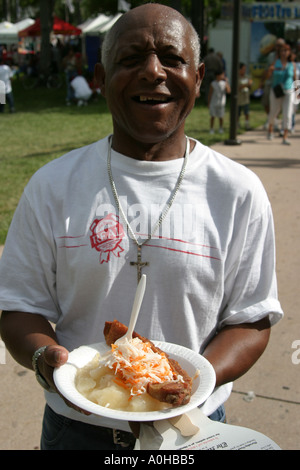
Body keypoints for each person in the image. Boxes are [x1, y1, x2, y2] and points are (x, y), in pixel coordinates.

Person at [0, 4, 283, 451]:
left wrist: (190, 385)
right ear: (100, 76)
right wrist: (45, 358)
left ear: (200, 75)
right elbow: (18, 306)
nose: (153, 72)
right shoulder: (53, 186)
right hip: (76, 429)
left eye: (172, 58)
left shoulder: (237, 191)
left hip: (194, 430)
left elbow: (251, 318)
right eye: (131, 59)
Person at [267, 43, 295, 145]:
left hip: (288, 91)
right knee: (274, 112)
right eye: (282, 50)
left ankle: (285, 136)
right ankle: (270, 129)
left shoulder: (292, 64)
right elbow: (268, 75)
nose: (284, 53)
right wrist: (271, 71)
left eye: (286, 50)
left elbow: (295, 78)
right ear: (279, 52)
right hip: (277, 90)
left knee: (287, 114)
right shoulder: (275, 63)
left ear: (289, 52)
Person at [207, 70, 231, 134]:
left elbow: (228, 91)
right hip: (213, 102)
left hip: (221, 103)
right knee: (213, 116)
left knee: (221, 116)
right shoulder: (213, 83)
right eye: (222, 75)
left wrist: (227, 82)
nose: (223, 76)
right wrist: (209, 102)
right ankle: (211, 129)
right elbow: (210, 93)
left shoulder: (224, 83)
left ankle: (221, 128)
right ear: (217, 76)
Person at [238, 63, 253, 130]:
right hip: (239, 99)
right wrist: (246, 84)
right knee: (237, 114)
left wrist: (250, 84)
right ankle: (237, 125)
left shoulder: (247, 77)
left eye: (245, 69)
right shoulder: (237, 78)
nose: (244, 71)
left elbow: (250, 86)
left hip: (246, 99)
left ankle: (247, 125)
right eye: (243, 69)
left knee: (246, 112)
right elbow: (238, 87)